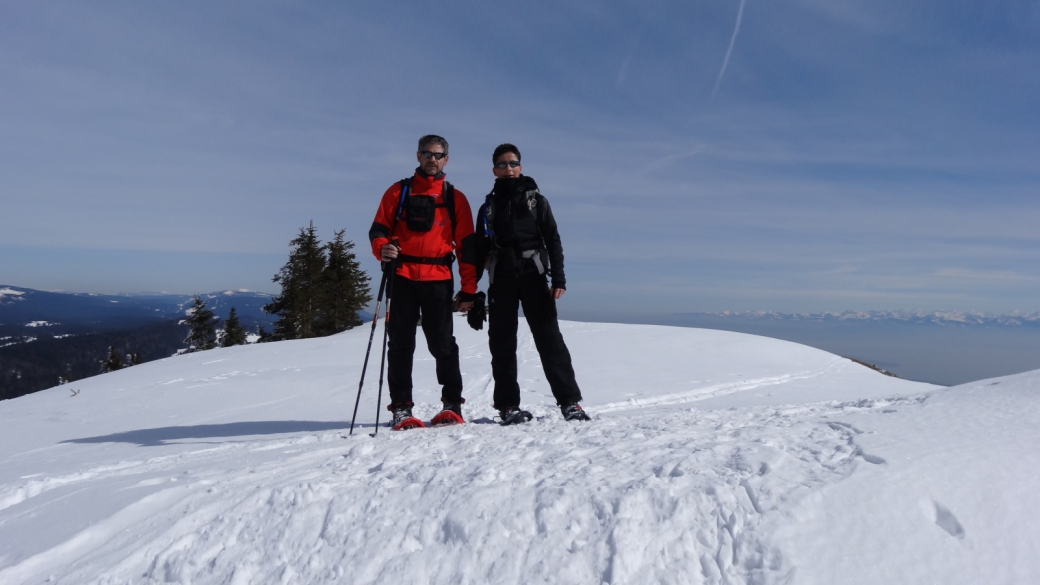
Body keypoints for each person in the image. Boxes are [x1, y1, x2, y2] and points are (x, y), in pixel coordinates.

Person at [473, 143, 590, 425]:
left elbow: (553, 239)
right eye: (502, 164)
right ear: (494, 170)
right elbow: (479, 250)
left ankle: (569, 403)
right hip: (501, 276)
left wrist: (559, 278)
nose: (508, 169)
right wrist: (469, 289)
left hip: (534, 274)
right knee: (501, 341)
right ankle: (507, 406)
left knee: (550, 339)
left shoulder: (536, 201)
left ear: (521, 167)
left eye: (513, 163)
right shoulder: (488, 206)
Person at [368, 135, 478, 430]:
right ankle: (402, 408)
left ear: (446, 159)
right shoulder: (398, 192)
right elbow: (378, 229)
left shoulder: (456, 198)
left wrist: (469, 288)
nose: (432, 159)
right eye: (427, 154)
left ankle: (451, 404)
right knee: (401, 345)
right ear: (418, 156)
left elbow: (466, 247)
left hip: (439, 280)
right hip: (401, 277)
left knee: (442, 344)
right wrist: (382, 248)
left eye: (438, 154)